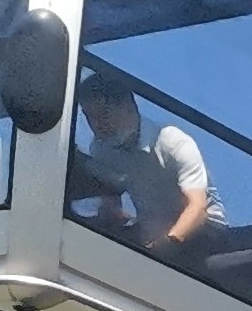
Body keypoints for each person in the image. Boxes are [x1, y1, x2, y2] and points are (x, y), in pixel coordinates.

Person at [68, 79, 219, 255]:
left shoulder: (172, 141)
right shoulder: (102, 149)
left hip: (203, 232)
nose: (96, 125)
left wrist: (166, 244)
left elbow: (198, 207)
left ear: (127, 106)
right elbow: (111, 191)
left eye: (103, 114)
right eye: (89, 117)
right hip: (153, 231)